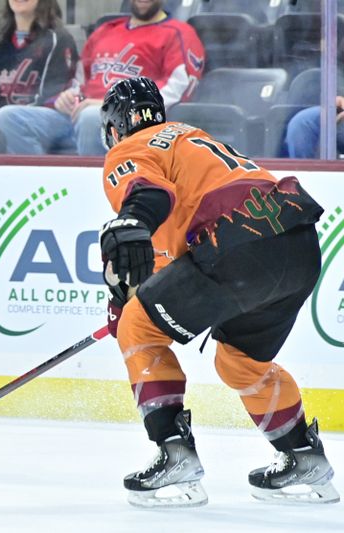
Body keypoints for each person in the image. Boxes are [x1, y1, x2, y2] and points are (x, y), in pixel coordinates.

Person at [98, 76, 338, 507]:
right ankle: (304, 457)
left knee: (139, 328)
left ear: (114, 128)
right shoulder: (192, 137)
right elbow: (172, 257)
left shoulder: (130, 148)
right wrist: (128, 293)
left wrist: (130, 223)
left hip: (239, 243)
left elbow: (148, 195)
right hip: (297, 244)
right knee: (240, 361)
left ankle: (174, 453)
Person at [0, 0, 204, 155]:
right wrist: (67, 97)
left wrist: (110, 104)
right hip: (78, 116)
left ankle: (96, 195)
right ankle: (39, 189)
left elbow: (178, 91)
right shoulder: (105, 31)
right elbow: (79, 81)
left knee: (92, 118)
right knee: (9, 118)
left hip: (134, 125)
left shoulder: (180, 33)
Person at [0, 0, 77, 154]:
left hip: (49, 118)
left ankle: (33, 176)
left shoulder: (59, 38)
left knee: (8, 119)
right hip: (0, 118)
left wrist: (0, 119)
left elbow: (48, 98)